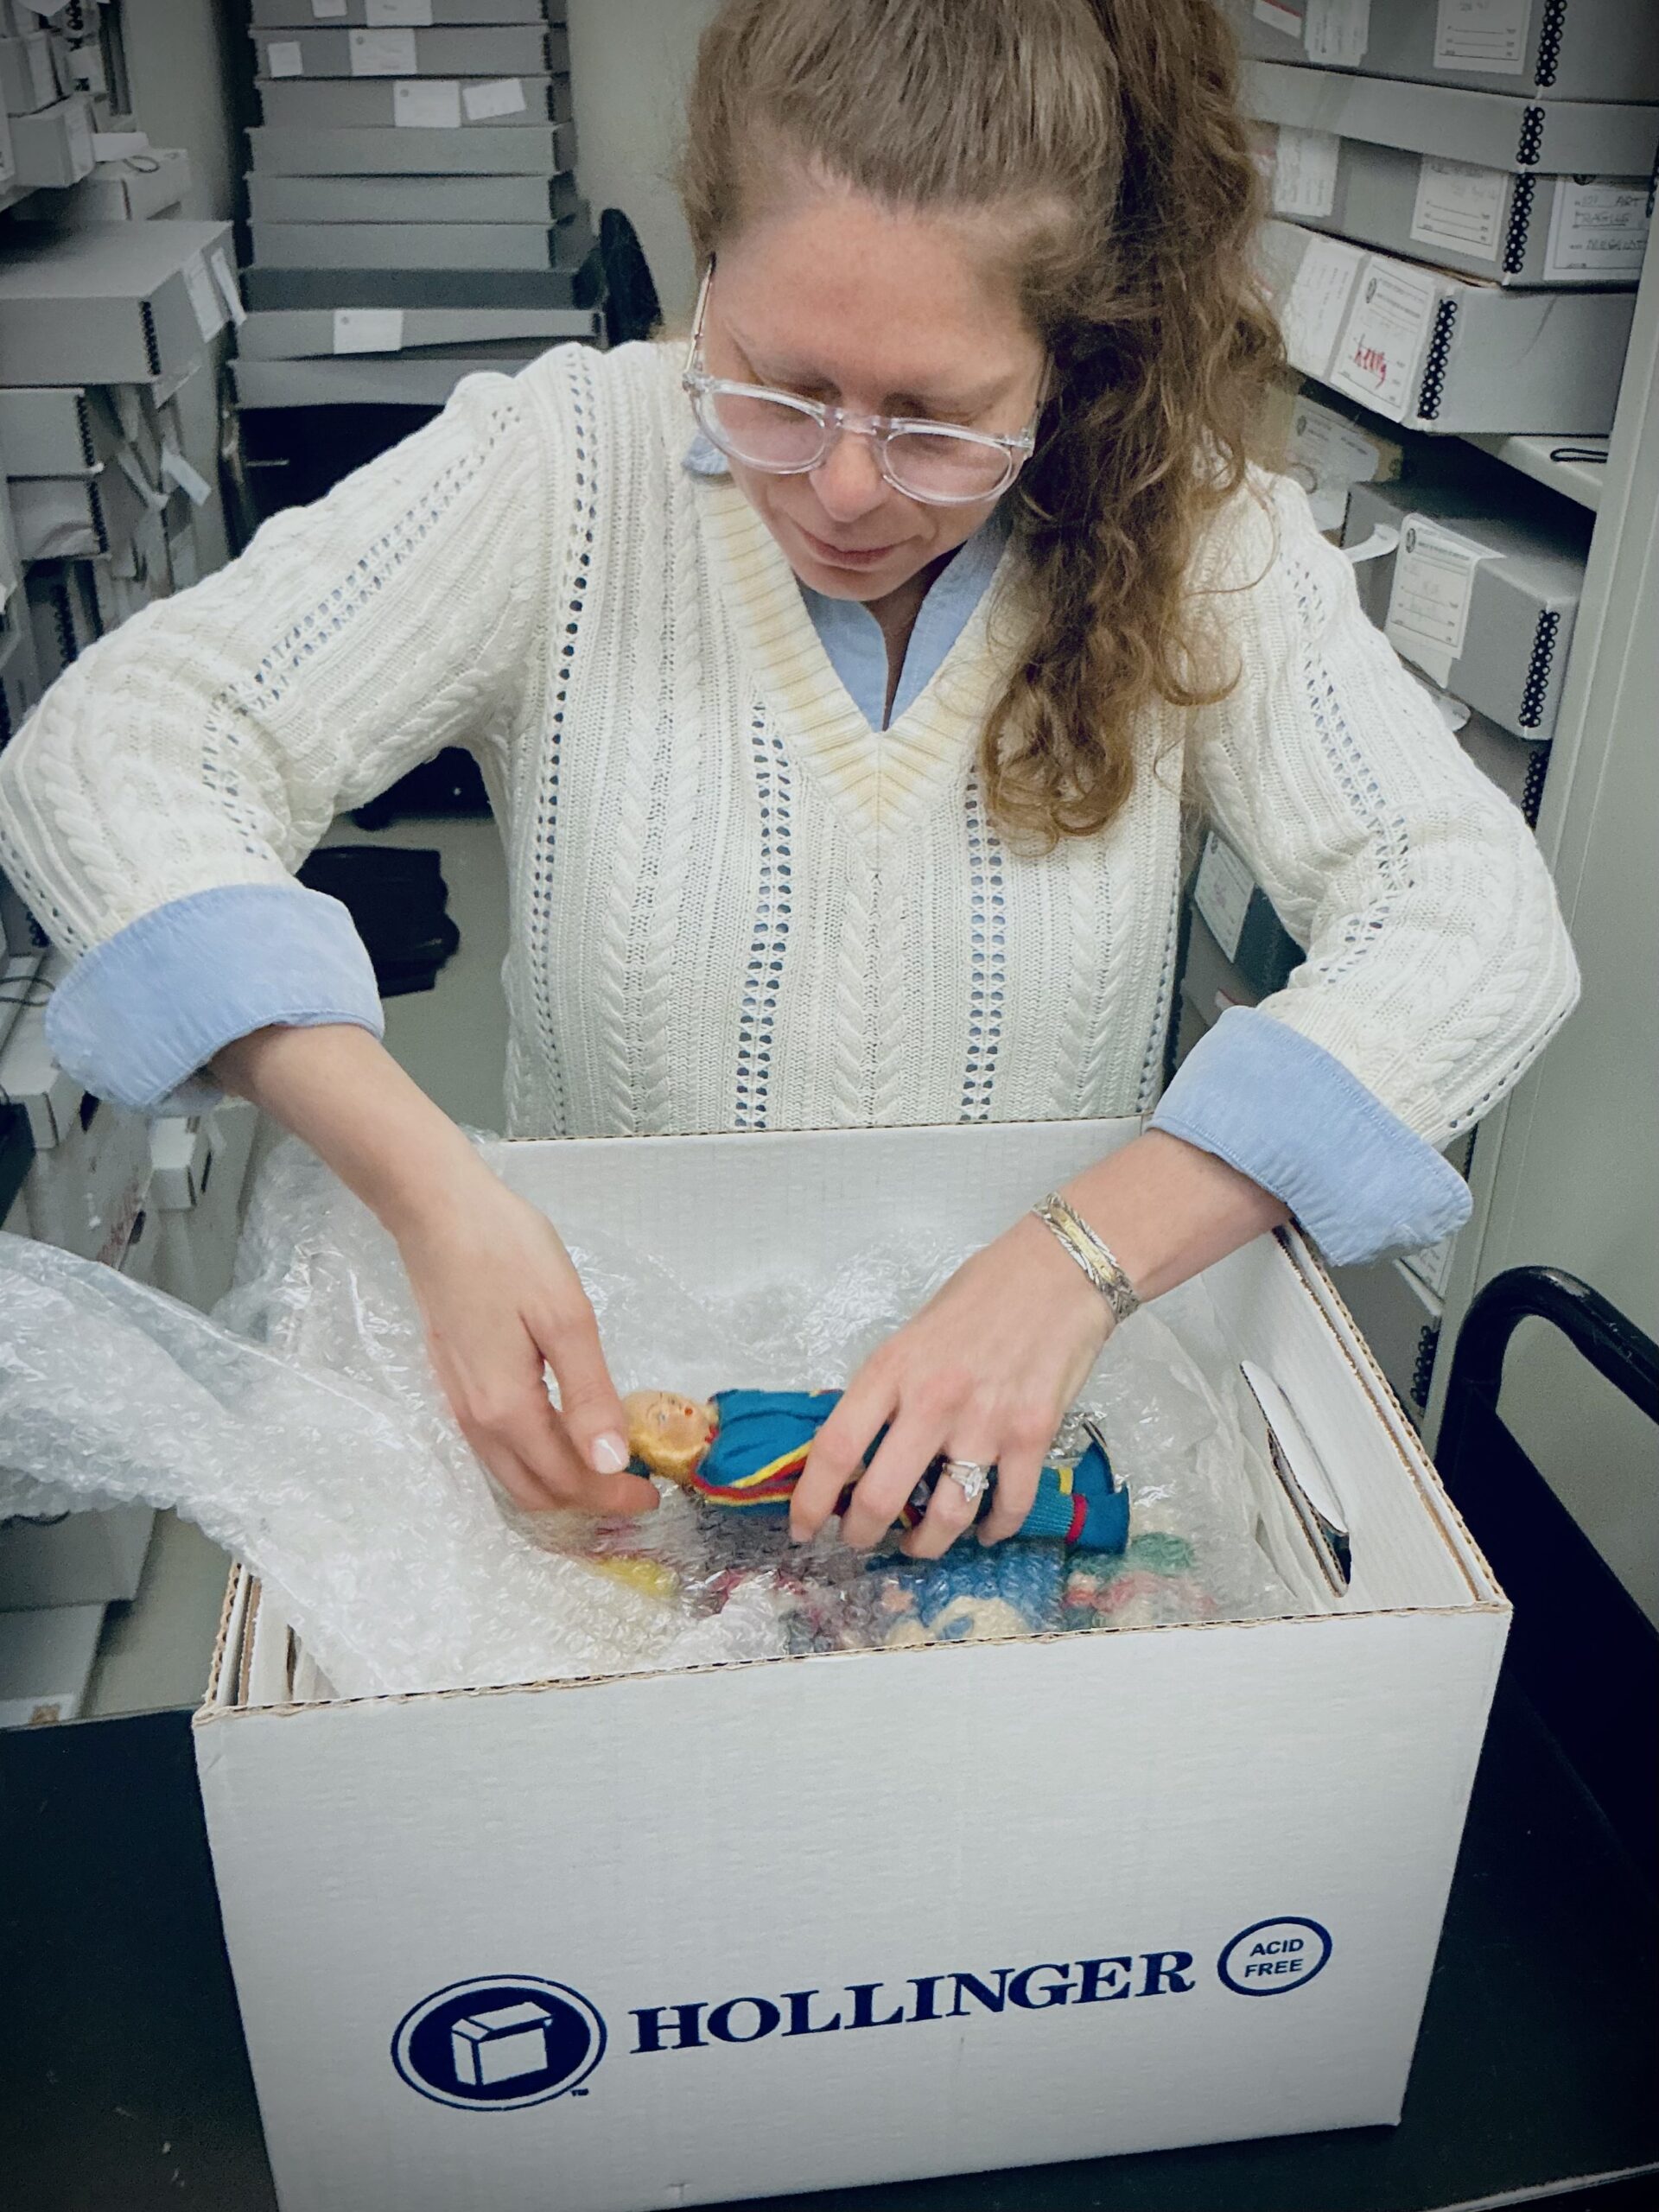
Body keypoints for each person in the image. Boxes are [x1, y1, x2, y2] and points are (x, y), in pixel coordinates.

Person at [0, 0, 1575, 1567]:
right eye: (775, 382)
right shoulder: (571, 470)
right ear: (707, 266)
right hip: (627, 1455)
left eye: (937, 422)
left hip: (1009, 1469)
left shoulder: (1202, 537)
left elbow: (1474, 919)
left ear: (1065, 359)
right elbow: (121, 746)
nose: (843, 487)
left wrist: (1078, 1261)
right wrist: (430, 1190)